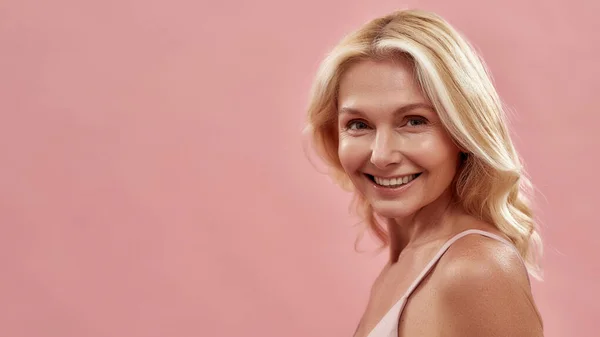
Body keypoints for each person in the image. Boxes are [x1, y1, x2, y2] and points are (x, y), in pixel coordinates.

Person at [304, 9, 544, 337]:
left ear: (462, 132)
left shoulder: (475, 270)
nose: (382, 155)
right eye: (359, 124)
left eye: (414, 121)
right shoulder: (403, 265)